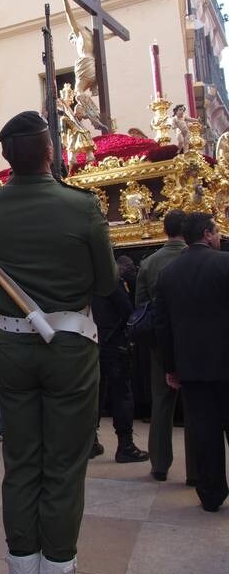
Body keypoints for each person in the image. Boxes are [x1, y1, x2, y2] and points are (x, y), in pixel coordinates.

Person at [0, 111, 117, 574]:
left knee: (21, 468)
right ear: (51, 152)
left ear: (8, 157)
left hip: (13, 346)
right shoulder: (80, 206)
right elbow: (104, 281)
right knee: (62, 470)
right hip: (70, 347)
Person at [156, 213, 229, 512]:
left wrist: (170, 367)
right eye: (217, 230)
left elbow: (164, 327)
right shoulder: (225, 263)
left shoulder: (169, 273)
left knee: (204, 430)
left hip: (192, 366)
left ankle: (211, 494)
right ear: (208, 234)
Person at [135, 210, 196, 483]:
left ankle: (159, 463)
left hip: (160, 341)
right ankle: (196, 469)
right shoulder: (197, 259)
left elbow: (140, 305)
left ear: (165, 230)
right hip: (195, 341)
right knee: (196, 405)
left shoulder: (149, 263)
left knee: (161, 403)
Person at [91, 275, 148, 463]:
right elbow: (127, 311)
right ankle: (125, 445)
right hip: (113, 344)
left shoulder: (81, 279)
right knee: (121, 394)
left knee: (94, 393)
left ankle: (91, 442)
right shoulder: (110, 280)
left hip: (90, 342)